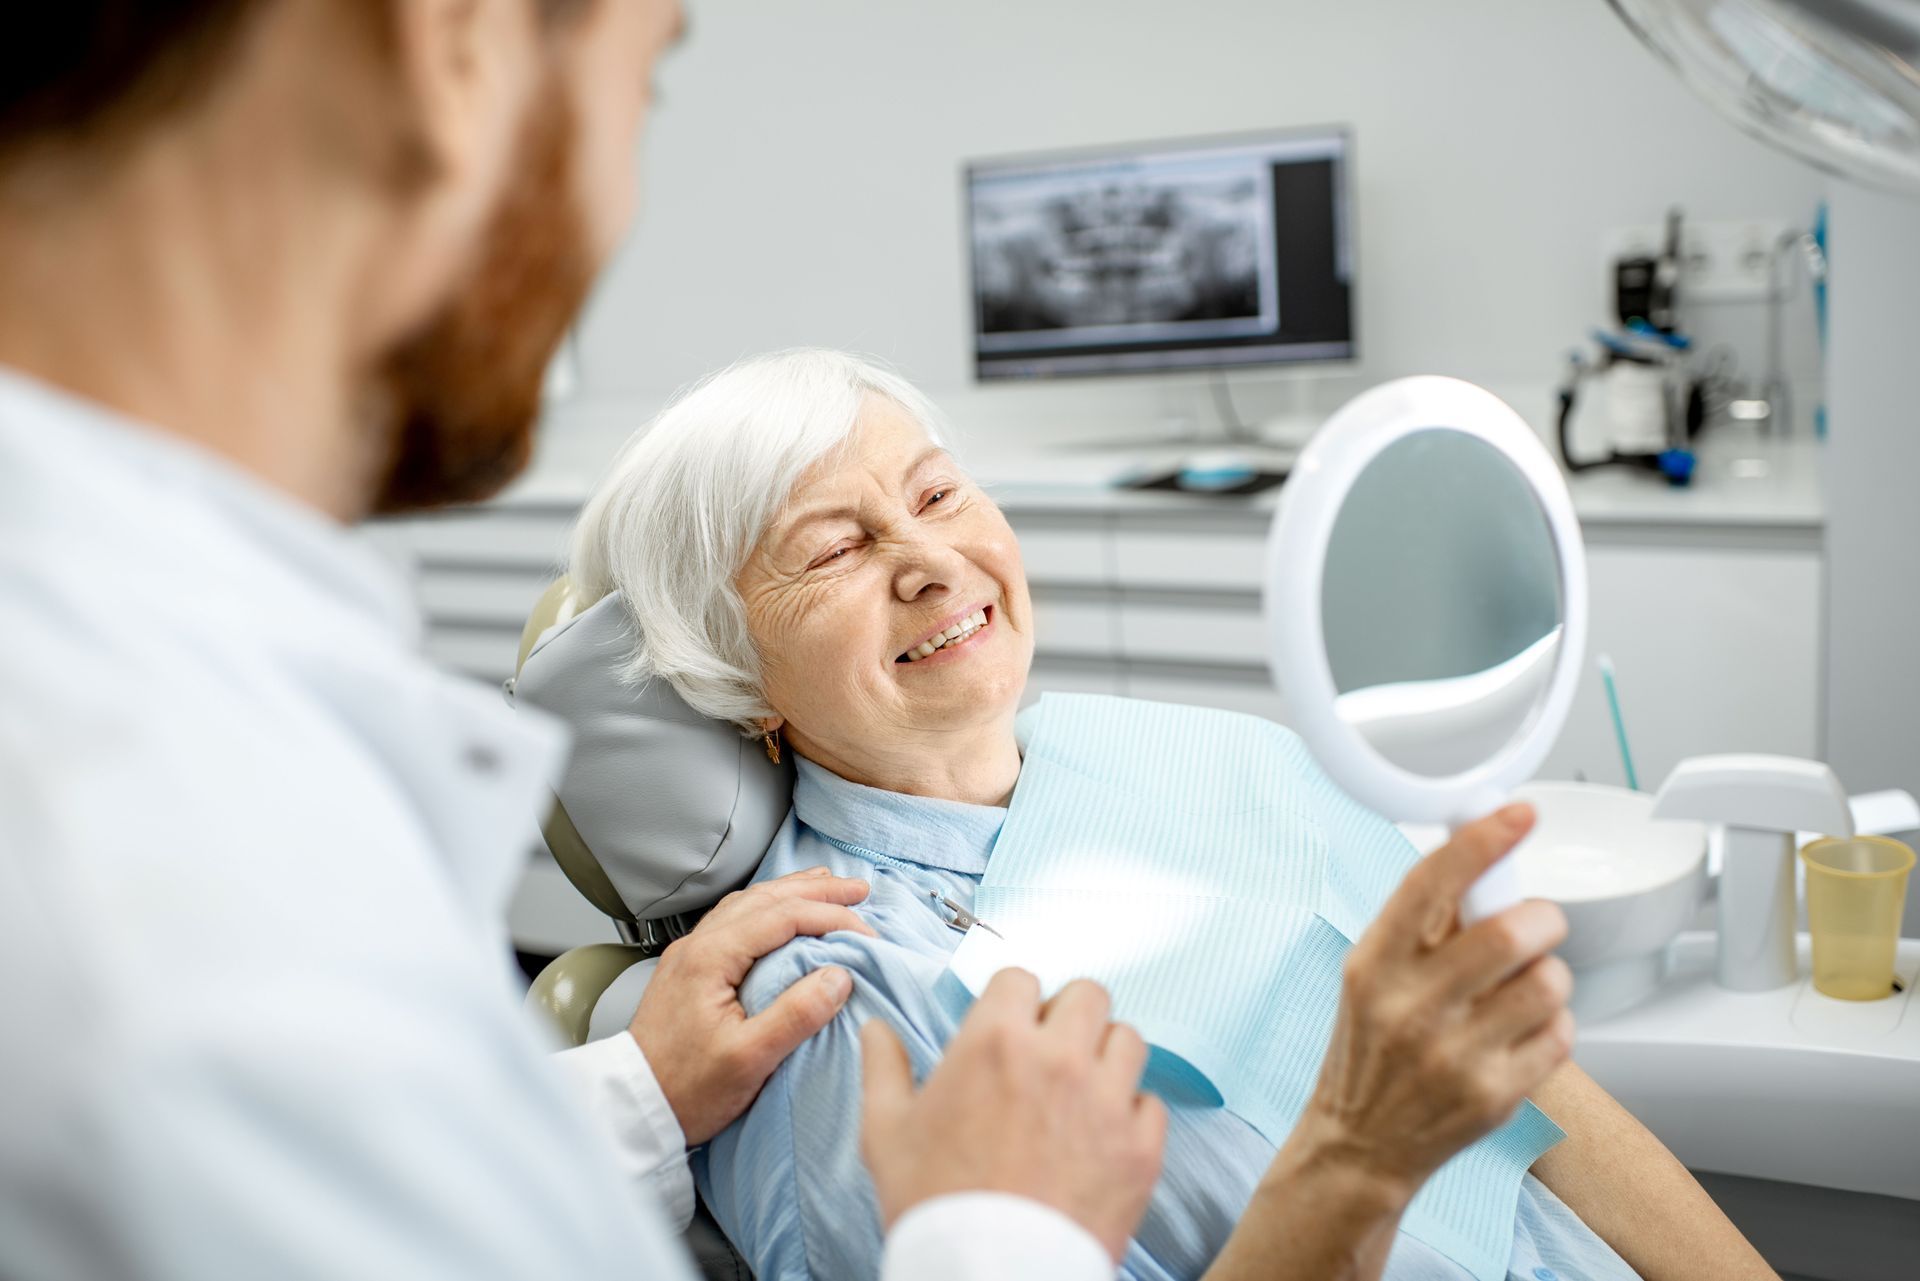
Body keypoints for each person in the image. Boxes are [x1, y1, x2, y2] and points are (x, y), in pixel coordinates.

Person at [0, 3, 1160, 1278]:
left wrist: (643, 1092)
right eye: (647, 76)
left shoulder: (158, 741)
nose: (617, 200)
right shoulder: (149, 878)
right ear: (451, 43)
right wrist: (1003, 1235)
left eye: (936, 495)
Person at [567, 348, 1781, 1281]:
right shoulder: (826, 1008)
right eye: (833, 551)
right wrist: (1357, 1155)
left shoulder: (1205, 752)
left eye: (938, 493)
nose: (930, 558)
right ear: (734, 673)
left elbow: (1542, 1099)